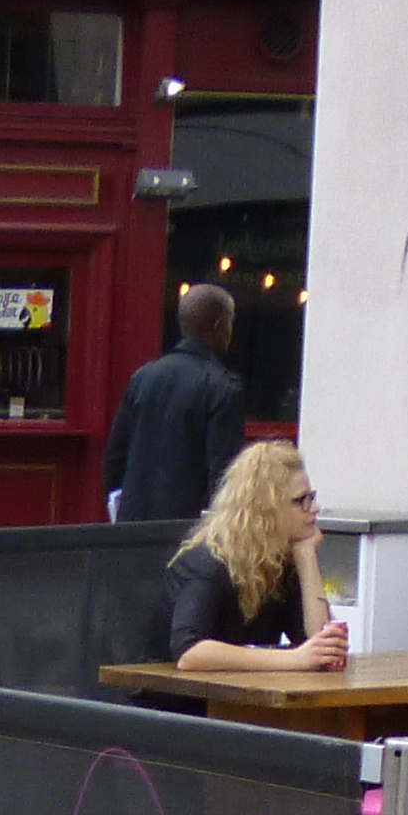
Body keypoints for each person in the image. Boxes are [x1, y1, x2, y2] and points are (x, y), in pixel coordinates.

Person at [155, 442, 347, 676]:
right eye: (300, 500)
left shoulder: (280, 561)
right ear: (266, 509)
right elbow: (190, 652)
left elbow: (320, 646)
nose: (314, 507)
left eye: (312, 497)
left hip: (245, 701)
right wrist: (294, 658)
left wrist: (306, 557)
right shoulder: (209, 561)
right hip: (179, 706)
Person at [102, 282, 250, 542]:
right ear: (218, 325)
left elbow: (114, 459)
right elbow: (224, 478)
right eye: (230, 322)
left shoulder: (142, 377)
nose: (231, 331)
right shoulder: (223, 388)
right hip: (188, 536)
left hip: (131, 532)